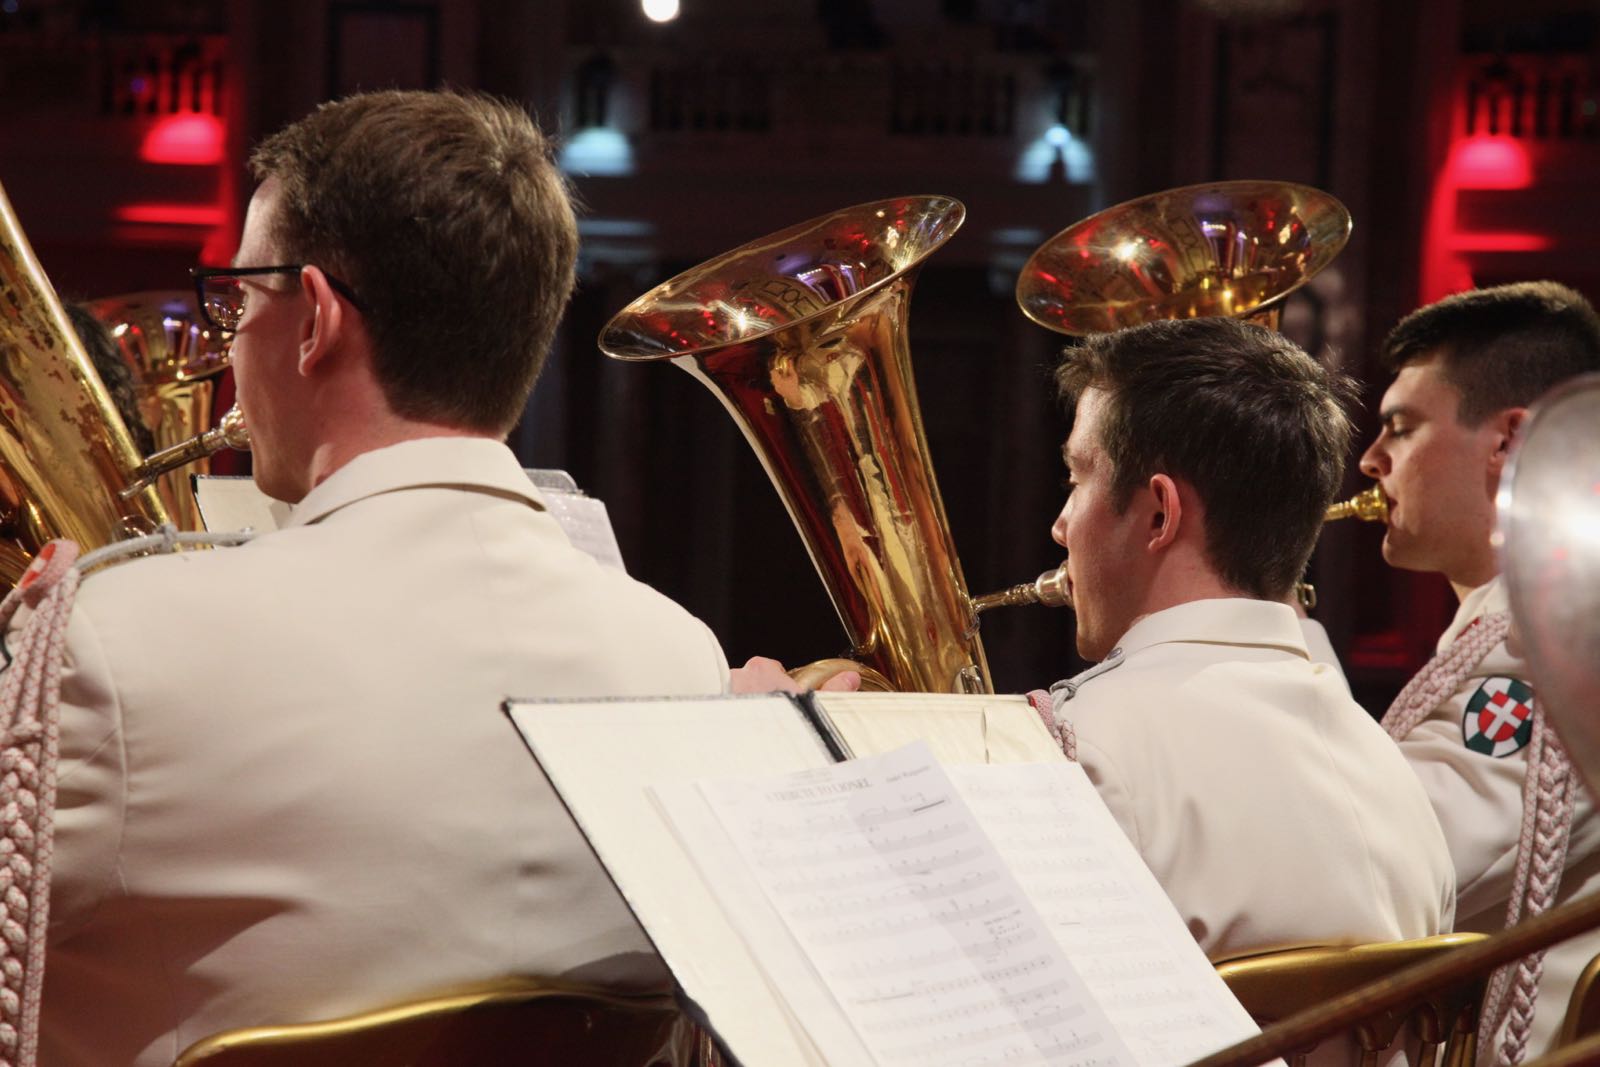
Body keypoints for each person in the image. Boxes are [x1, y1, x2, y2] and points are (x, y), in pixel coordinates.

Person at [22, 90, 728, 1067]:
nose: (227, 346)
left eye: (238, 298)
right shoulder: (683, 662)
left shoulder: (114, 642)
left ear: (312, 317)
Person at [1032, 316, 1455, 960]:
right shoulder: (1390, 771)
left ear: (1158, 512)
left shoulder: (1076, 747)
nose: (1062, 526)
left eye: (1077, 479)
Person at [1359, 280, 1600, 1066]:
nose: (1371, 459)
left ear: (1507, 444)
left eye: (1401, 427)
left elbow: (1387, 871)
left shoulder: (1543, 650)